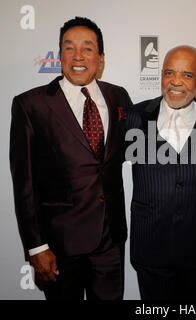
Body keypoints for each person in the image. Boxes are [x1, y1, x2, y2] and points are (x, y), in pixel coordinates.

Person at [9, 16, 132, 300]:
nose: (78, 56)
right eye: (69, 47)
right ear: (59, 55)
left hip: (111, 241)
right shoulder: (31, 105)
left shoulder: (118, 97)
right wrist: (37, 247)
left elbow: (131, 150)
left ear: (100, 58)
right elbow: (24, 184)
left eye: (87, 48)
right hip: (59, 245)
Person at [125, 45, 196, 300]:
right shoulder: (136, 116)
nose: (176, 82)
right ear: (161, 76)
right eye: (169, 73)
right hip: (148, 242)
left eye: (187, 75)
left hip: (195, 245)